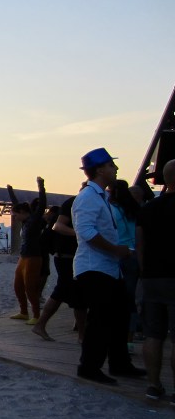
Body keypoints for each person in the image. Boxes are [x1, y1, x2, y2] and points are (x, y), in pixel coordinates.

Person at [72, 148, 145, 384]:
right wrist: (116, 249)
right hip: (94, 267)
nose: (116, 169)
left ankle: (119, 363)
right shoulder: (88, 198)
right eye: (112, 166)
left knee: (120, 314)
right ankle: (89, 367)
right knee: (101, 319)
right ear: (101, 169)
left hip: (108, 267)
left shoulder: (100, 196)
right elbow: (86, 232)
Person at [137, 159, 175, 401]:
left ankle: (153, 385)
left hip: (152, 277)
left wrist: (144, 271)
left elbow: (139, 244)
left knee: (153, 334)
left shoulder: (148, 208)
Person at [31, 194, 86, 342]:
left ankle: (80, 331)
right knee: (70, 294)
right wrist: (80, 235)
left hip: (67, 256)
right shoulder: (74, 203)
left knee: (69, 293)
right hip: (67, 256)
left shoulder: (75, 203)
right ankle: (81, 334)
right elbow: (58, 226)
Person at [7, 177, 47, 325]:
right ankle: (24, 312)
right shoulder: (24, 221)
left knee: (30, 287)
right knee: (18, 285)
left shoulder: (34, 220)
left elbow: (42, 205)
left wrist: (41, 187)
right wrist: (10, 190)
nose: (15, 218)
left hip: (34, 257)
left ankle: (36, 315)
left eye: (16, 215)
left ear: (23, 212)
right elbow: (15, 204)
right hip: (23, 257)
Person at [108, 179, 142, 353]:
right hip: (135, 255)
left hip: (118, 254)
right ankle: (130, 338)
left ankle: (115, 336)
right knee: (131, 299)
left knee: (115, 298)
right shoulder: (136, 210)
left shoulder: (112, 210)